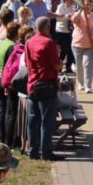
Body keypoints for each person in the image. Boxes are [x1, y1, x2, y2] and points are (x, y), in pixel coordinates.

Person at [25, 17, 63, 161]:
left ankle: (32, 150)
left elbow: (27, 62)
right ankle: (46, 152)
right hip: (46, 84)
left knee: (33, 119)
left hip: (32, 83)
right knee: (47, 121)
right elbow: (55, 65)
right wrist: (61, 64)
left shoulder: (28, 42)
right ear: (47, 28)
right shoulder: (48, 43)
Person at [70, 0, 93, 93]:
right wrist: (81, 10)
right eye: (87, 2)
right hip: (77, 44)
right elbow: (74, 20)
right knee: (79, 65)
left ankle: (88, 85)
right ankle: (81, 83)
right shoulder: (78, 14)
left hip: (89, 45)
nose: (88, 4)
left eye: (90, 2)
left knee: (87, 64)